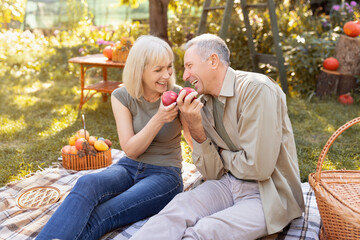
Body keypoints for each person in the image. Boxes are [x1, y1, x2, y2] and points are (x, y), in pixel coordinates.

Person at [130, 34, 305, 240]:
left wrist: (220, 154)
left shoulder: (256, 89)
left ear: (213, 61)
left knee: (205, 231)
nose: (185, 75)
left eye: (189, 66)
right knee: (173, 213)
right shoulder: (202, 104)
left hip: (267, 193)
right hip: (226, 183)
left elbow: (258, 167)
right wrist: (195, 126)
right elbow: (213, 172)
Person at [36, 35, 192, 240]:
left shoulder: (179, 96)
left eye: (169, 67)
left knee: (105, 213)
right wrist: (159, 119)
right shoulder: (122, 96)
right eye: (158, 70)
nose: (166, 75)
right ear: (140, 71)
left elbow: (196, 141)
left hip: (164, 175)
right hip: (128, 166)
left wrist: (194, 118)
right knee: (86, 184)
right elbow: (131, 149)